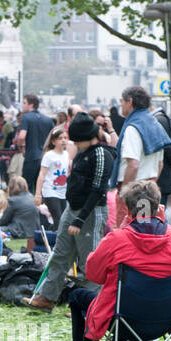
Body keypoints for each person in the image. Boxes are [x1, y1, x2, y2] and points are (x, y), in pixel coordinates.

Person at [66, 180, 171, 341]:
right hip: (170, 318)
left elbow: (93, 275)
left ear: (128, 207)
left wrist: (124, 228)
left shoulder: (117, 239)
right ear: (158, 204)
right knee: (132, 295)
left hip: (125, 317)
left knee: (79, 296)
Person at [25, 112, 116, 311]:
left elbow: (98, 189)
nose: (73, 144)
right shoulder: (82, 152)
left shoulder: (102, 154)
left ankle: (90, 305)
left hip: (90, 213)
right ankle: (47, 297)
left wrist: (80, 219)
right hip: (72, 209)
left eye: (76, 140)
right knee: (60, 253)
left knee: (89, 261)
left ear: (87, 137)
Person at [34, 125, 71, 230]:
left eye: (65, 138)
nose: (63, 140)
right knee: (58, 218)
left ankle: (50, 235)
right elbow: (42, 175)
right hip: (50, 191)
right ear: (53, 141)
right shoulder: (49, 155)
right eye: (60, 138)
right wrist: (38, 194)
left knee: (63, 219)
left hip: (62, 192)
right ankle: (57, 243)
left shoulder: (66, 154)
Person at [15, 94, 55, 186]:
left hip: (31, 156)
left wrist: (21, 147)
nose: (22, 105)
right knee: (42, 186)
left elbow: (21, 136)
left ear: (31, 105)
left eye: (24, 103)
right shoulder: (48, 120)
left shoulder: (26, 117)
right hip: (45, 158)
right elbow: (54, 136)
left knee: (27, 186)